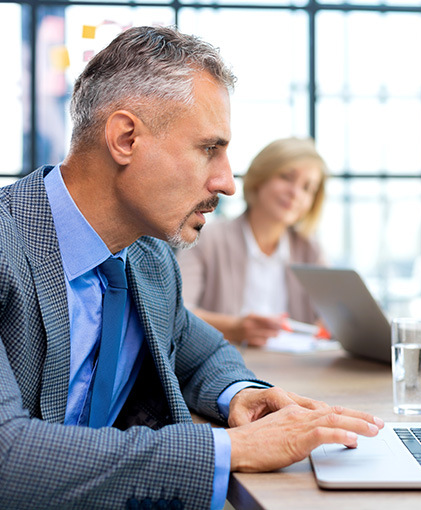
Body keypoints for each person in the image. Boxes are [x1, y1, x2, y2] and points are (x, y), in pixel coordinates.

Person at [0, 25, 383, 509]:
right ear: (126, 138)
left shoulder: (148, 256)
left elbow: (200, 353)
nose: (227, 183)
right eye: (208, 149)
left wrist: (241, 395)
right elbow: (7, 458)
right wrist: (232, 448)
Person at [177, 137, 326, 346]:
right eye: (286, 177)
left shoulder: (309, 250)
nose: (295, 194)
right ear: (260, 179)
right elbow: (177, 313)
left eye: (307, 188)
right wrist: (235, 329)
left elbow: (331, 320)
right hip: (225, 368)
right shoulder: (209, 240)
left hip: (295, 371)